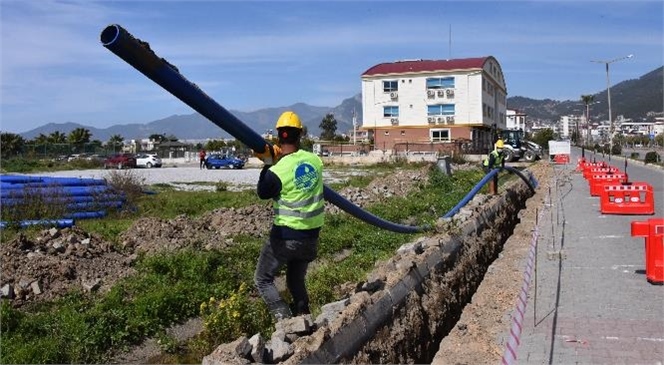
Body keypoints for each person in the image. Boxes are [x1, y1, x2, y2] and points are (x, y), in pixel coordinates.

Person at [253, 111, 325, 321]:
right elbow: (298, 169)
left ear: (278, 136)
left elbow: (263, 192)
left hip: (285, 237)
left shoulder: (277, 170)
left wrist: (268, 162)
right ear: (300, 135)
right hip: (311, 238)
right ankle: (304, 317)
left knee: (263, 280)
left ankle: (284, 321)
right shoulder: (315, 161)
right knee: (295, 281)